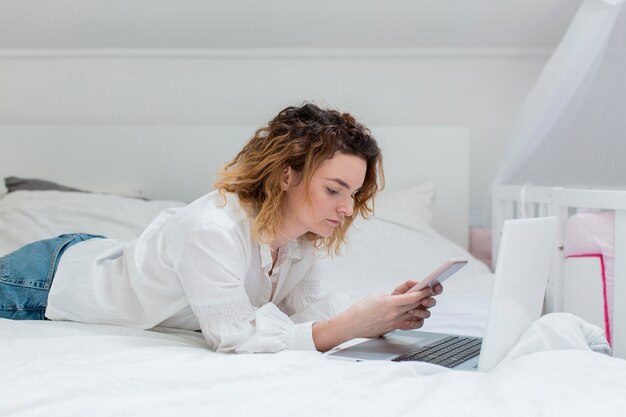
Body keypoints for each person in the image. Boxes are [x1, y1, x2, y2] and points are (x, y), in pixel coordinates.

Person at [0, 103, 442, 353]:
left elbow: (300, 317)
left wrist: (377, 316)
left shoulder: (303, 241)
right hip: (47, 279)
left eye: (354, 194)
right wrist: (348, 327)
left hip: (99, 254)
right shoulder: (211, 229)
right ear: (287, 174)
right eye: (334, 190)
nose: (346, 208)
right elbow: (234, 336)